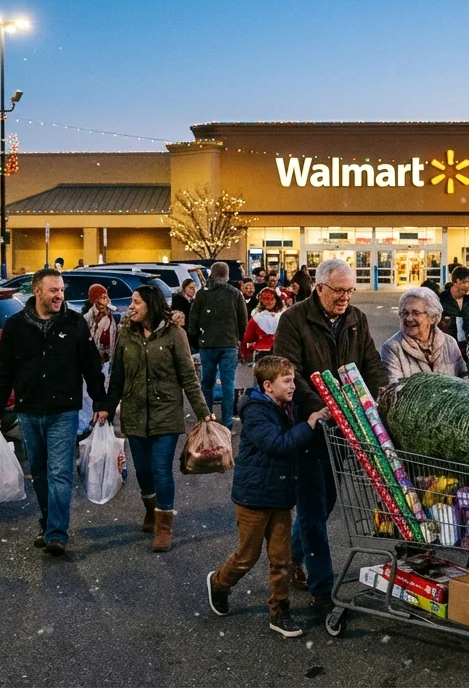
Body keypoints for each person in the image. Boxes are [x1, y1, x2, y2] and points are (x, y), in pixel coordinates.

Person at [272, 258, 389, 618]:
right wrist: (323, 408)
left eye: (350, 291)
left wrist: (382, 398)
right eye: (339, 291)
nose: (345, 298)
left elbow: (370, 364)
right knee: (312, 507)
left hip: (343, 429)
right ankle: (322, 590)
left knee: (326, 504)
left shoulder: (356, 319)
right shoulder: (294, 319)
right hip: (309, 426)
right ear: (319, 287)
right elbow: (290, 372)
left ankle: (291, 556)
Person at [0, 268, 112, 557]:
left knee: (59, 472)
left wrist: (101, 402)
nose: (59, 296)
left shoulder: (74, 323)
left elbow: (90, 365)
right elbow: (4, 370)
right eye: (53, 290)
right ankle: (47, 523)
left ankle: (56, 532)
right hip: (29, 411)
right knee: (40, 472)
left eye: (62, 291)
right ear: (37, 291)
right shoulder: (16, 325)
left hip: (63, 410)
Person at [206, 356, 332, 638]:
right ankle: (219, 583)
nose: (292, 386)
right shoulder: (256, 412)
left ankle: (279, 610)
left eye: (293, 380)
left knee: (281, 560)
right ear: (267, 385)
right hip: (254, 497)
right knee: (247, 556)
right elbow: (278, 443)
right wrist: (310, 423)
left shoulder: (286, 406)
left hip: (280, 495)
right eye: (286, 381)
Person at [107, 285, 214, 552]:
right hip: (134, 411)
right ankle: (151, 509)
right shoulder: (126, 333)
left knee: (161, 469)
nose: (131, 307)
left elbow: (188, 376)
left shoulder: (174, 334)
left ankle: (164, 526)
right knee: (142, 470)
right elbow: (117, 375)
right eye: (132, 302)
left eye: (137, 302)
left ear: (151, 305)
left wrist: (203, 412)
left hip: (165, 411)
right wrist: (106, 409)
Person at [190, 262, 249, 429]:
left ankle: (207, 418)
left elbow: (193, 320)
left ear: (212, 274)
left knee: (207, 382)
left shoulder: (203, 294)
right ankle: (227, 421)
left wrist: (195, 341)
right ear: (227, 275)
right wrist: (238, 339)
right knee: (228, 383)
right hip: (229, 343)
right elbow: (243, 321)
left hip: (207, 344)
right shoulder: (235, 293)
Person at [380, 287, 466, 384]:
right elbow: (395, 387)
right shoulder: (392, 348)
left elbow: (464, 378)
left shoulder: (450, 343)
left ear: (432, 318)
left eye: (415, 313)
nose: (409, 318)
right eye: (405, 313)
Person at [80, 283, 118, 433]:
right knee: (90, 394)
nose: (105, 300)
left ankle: (104, 423)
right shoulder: (88, 317)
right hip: (92, 362)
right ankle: (87, 425)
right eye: (101, 297)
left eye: (106, 296)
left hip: (106, 361)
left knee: (106, 391)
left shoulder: (110, 316)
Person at [439, 266, 469, 349]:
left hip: (468, 348)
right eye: (467, 282)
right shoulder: (440, 300)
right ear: (456, 281)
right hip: (444, 348)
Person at [241, 286, 286, 361]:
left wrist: (247, 353)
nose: (269, 302)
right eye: (265, 299)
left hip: (262, 352)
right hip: (279, 352)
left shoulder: (255, 318)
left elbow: (248, 338)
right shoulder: (284, 317)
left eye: (271, 299)